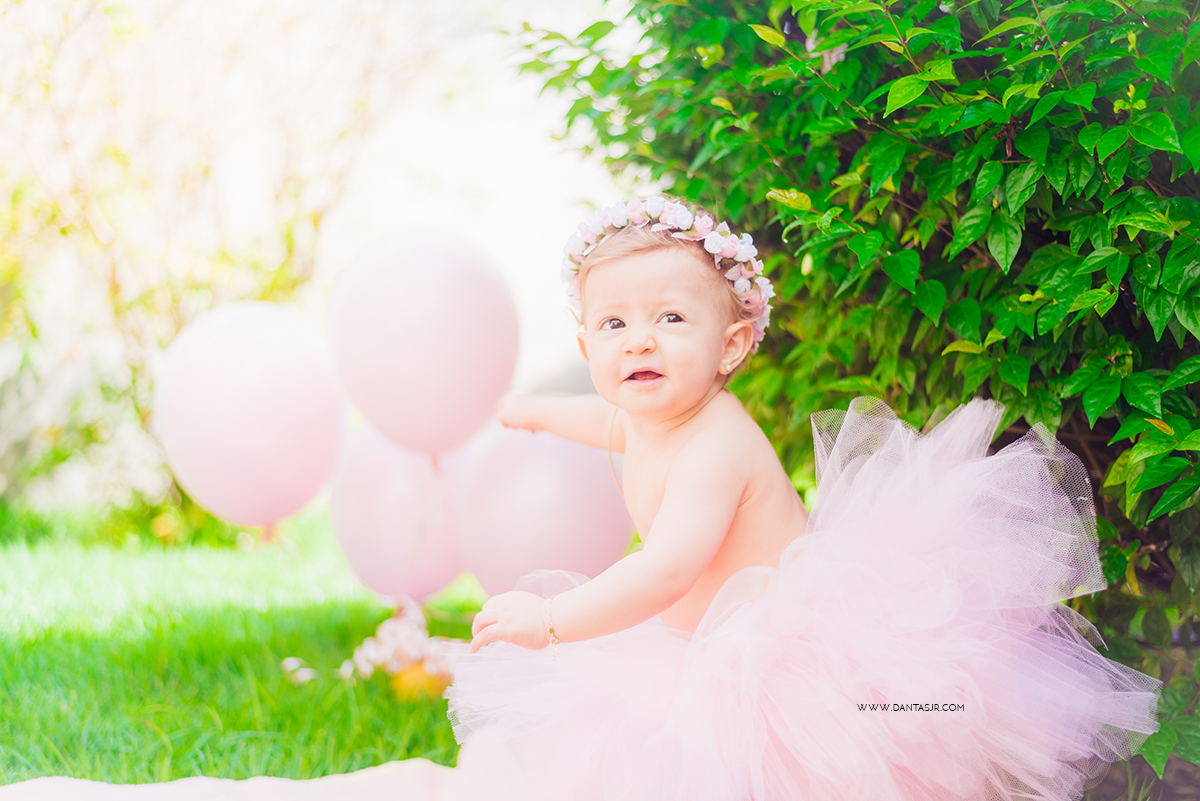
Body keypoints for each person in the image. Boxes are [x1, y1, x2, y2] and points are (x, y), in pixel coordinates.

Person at [3, 197, 1162, 801]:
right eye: (613, 326)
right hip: (705, 643)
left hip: (787, 651)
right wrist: (538, 413)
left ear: (735, 339)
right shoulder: (645, 411)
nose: (639, 343)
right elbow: (611, 424)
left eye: (670, 319)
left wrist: (554, 621)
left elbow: (664, 566)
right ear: (586, 340)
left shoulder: (716, 442)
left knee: (800, 763)